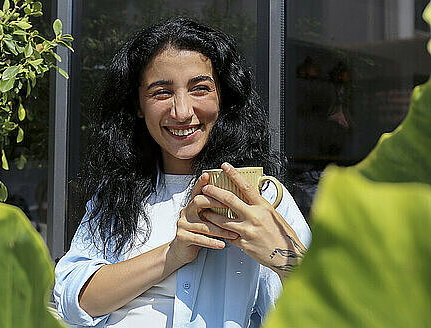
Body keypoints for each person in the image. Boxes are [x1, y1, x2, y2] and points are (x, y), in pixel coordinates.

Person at [54, 18, 311, 328]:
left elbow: (324, 312)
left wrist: (282, 255)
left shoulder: (260, 196)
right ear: (138, 105)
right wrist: (172, 254)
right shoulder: (118, 192)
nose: (182, 112)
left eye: (199, 89)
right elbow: (74, 301)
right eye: (161, 93)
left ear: (223, 97)